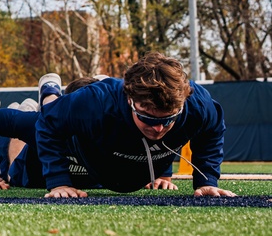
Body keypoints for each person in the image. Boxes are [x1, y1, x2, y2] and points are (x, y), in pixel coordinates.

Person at [36, 53, 236, 198]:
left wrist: (207, 181)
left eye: (168, 120)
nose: (158, 129)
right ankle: (49, 92)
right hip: (91, 146)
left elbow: (213, 131)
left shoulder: (199, 105)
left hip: (132, 166)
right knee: (48, 110)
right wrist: (59, 182)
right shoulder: (96, 101)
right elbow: (48, 123)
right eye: (149, 118)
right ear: (130, 99)